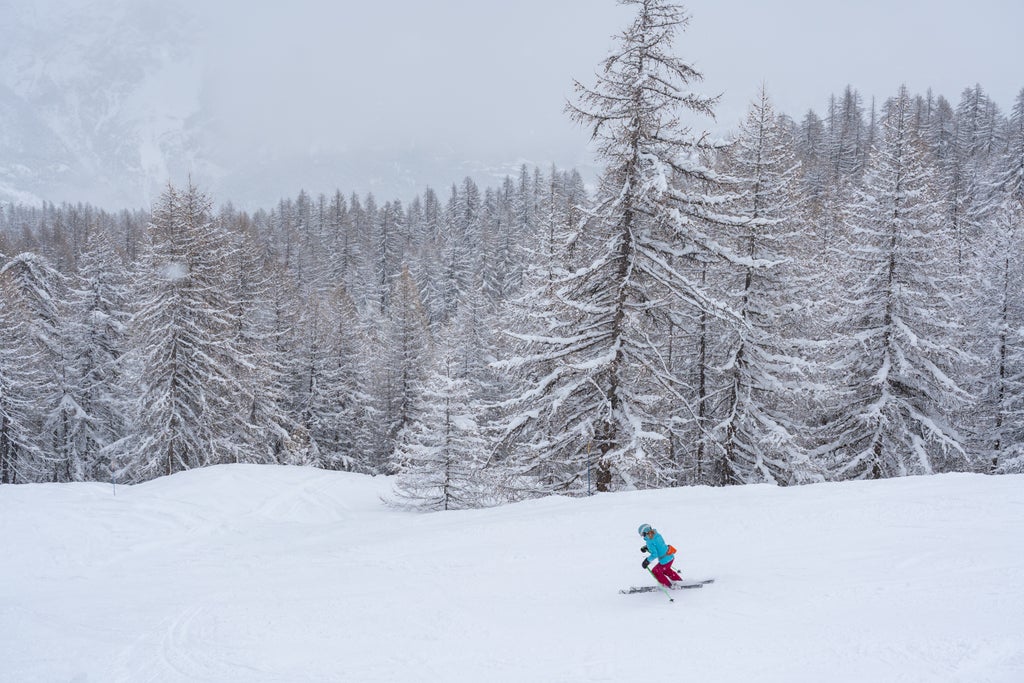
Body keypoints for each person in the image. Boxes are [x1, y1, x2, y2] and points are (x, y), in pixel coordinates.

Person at [638, 523, 683, 588]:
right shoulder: (657, 535)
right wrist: (647, 547)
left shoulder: (649, 541)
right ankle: (678, 581)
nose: (643, 537)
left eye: (642, 535)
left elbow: (654, 554)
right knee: (666, 570)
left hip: (665, 560)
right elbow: (658, 545)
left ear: (645, 533)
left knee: (656, 571)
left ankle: (668, 585)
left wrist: (647, 561)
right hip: (670, 556)